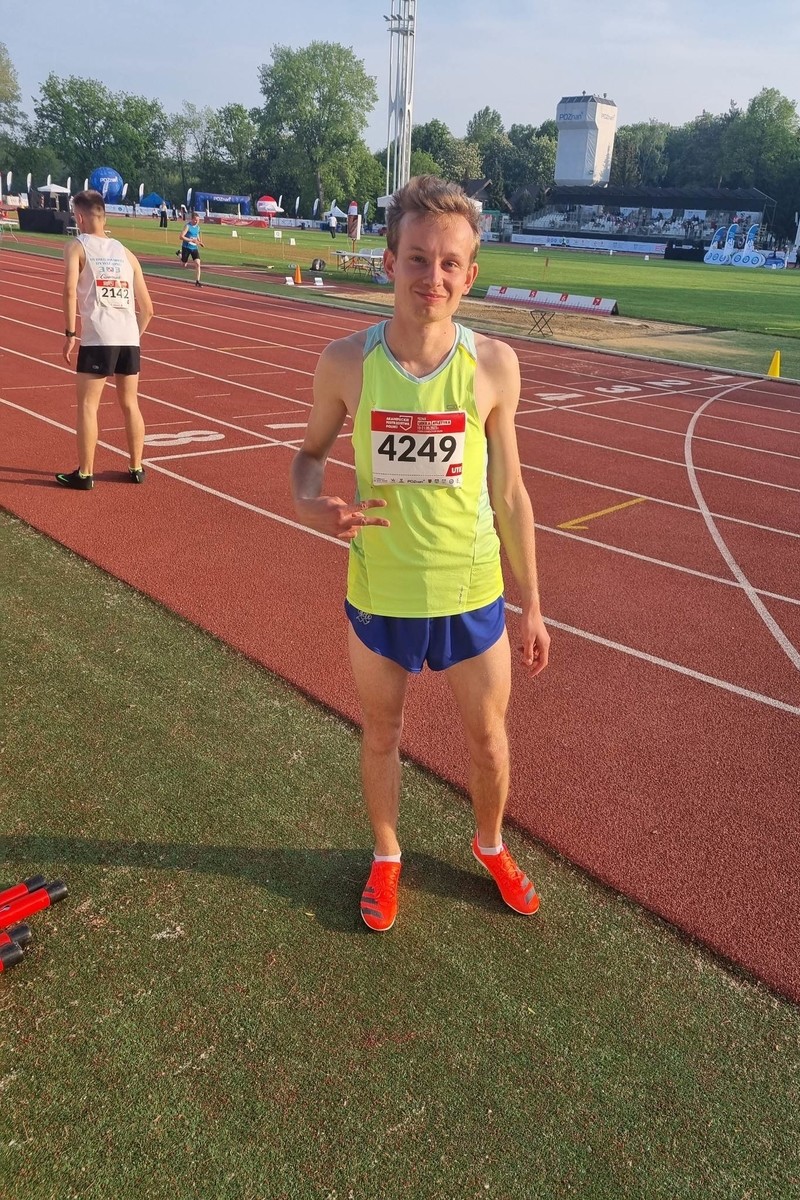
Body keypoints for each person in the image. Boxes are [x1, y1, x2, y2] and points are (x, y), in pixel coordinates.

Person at [290, 175, 550, 932]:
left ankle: (490, 844)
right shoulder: (345, 361)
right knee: (382, 734)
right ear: (389, 262)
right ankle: (387, 855)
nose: (432, 277)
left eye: (449, 263)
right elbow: (308, 457)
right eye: (417, 259)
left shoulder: (494, 366)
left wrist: (534, 605)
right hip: (383, 590)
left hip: (472, 593)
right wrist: (310, 503)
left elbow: (511, 494)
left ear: (470, 275)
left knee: (489, 740)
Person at [56, 189, 153, 491]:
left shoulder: (77, 246)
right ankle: (136, 467)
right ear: (104, 217)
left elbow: (69, 291)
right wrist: (130, 336)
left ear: (79, 218)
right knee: (130, 404)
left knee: (88, 405)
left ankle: (85, 474)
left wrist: (70, 333)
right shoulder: (127, 253)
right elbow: (149, 309)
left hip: (99, 336)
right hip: (128, 337)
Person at [178, 210, 204, 286]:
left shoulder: (198, 227)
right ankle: (180, 254)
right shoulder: (187, 226)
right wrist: (191, 240)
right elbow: (181, 237)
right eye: (195, 220)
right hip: (186, 247)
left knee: (198, 264)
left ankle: (197, 281)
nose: (197, 221)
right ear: (192, 219)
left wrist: (200, 242)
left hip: (194, 248)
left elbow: (197, 235)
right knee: (184, 264)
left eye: (198, 220)